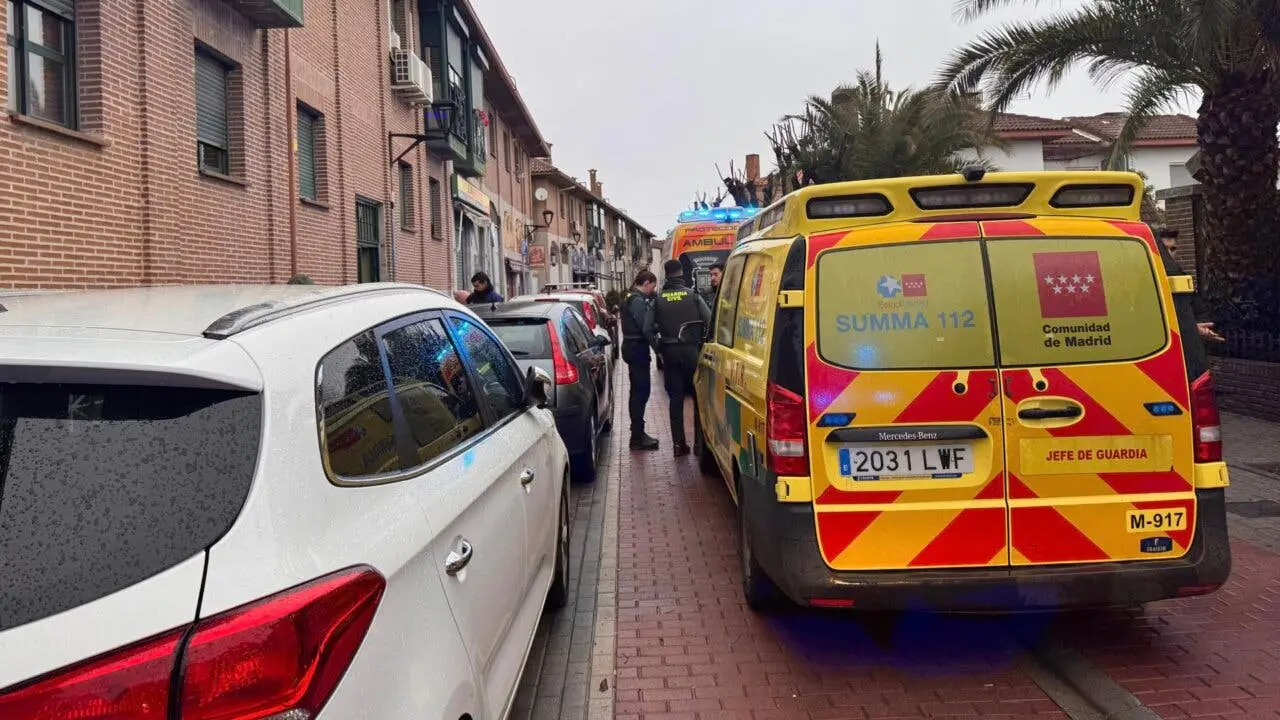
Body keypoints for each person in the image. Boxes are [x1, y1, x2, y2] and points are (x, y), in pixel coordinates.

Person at [644, 259, 712, 456]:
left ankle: (678, 445)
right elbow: (709, 319)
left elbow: (647, 329)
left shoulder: (659, 299)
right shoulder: (693, 296)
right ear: (681, 272)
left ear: (666, 275)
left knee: (676, 399)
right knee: (699, 397)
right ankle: (701, 444)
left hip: (670, 354)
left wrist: (658, 348)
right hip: (692, 353)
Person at [1155, 227, 1224, 343]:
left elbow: (1198, 310)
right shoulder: (1144, 279)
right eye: (1164, 249)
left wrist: (1201, 327)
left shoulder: (1181, 277)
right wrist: (1191, 328)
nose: (1169, 254)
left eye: (1173, 249)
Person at [620, 270, 661, 451]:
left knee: (637, 391)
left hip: (632, 347)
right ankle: (637, 436)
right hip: (637, 349)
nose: (653, 290)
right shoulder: (636, 300)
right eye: (653, 286)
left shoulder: (629, 296)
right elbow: (646, 327)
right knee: (641, 392)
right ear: (646, 283)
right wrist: (657, 348)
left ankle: (637, 433)